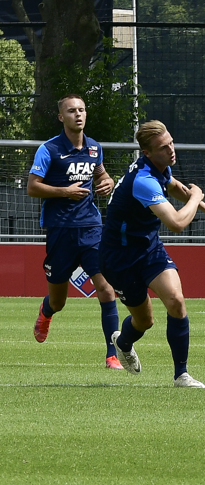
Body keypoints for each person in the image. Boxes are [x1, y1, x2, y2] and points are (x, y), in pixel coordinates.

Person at [99, 120, 205, 388]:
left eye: (171, 142)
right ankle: (122, 342)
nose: (171, 150)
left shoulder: (160, 168)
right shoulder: (143, 180)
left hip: (148, 248)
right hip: (119, 258)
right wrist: (196, 197)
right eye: (163, 147)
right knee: (144, 321)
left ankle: (182, 374)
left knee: (176, 301)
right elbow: (177, 224)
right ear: (146, 153)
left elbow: (175, 186)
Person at [27, 94, 122, 370]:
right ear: (61, 117)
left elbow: (101, 174)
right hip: (60, 231)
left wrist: (108, 181)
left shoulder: (94, 148)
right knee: (59, 300)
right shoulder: (49, 149)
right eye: (71, 111)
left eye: (81, 110)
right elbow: (33, 187)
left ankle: (112, 354)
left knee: (106, 288)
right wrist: (64, 191)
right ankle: (46, 312)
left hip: (92, 227)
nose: (78, 115)